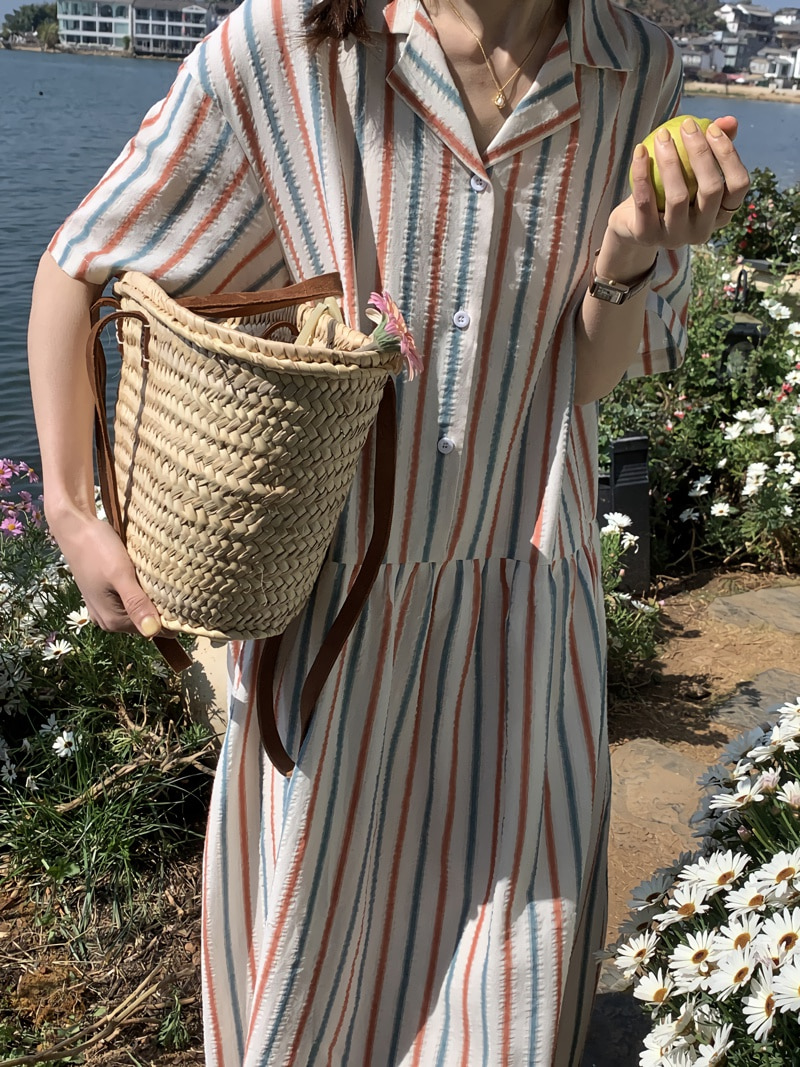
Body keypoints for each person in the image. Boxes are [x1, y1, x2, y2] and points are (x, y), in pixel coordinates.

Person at [28, 0, 749, 1062]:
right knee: (312, 1010)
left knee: (508, 1010)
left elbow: (584, 381)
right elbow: (84, 258)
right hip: (334, 629)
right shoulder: (291, 45)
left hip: (527, 623)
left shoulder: (633, 69)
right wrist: (71, 510)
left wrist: (629, 248)